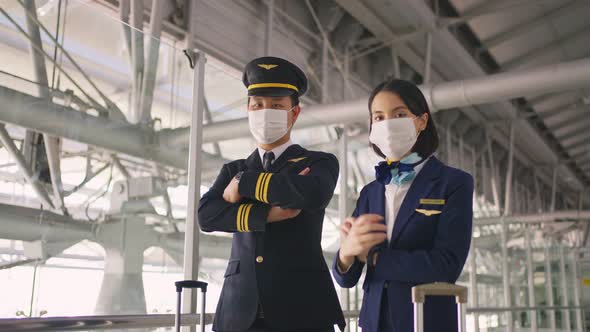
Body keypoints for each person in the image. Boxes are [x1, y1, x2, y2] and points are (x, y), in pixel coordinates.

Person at [199, 56, 345, 332]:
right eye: (258, 105)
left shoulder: (318, 162)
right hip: (239, 311)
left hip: (301, 309)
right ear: (248, 110)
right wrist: (267, 213)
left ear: (295, 113)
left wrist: (244, 183)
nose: (265, 112)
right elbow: (206, 216)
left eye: (277, 106)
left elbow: (312, 195)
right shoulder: (232, 167)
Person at [332, 78, 473, 332]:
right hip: (374, 324)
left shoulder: (453, 183)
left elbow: (446, 265)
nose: (387, 124)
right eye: (379, 117)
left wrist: (374, 259)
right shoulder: (369, 192)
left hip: (425, 321)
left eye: (399, 114)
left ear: (422, 121)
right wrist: (346, 253)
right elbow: (346, 279)